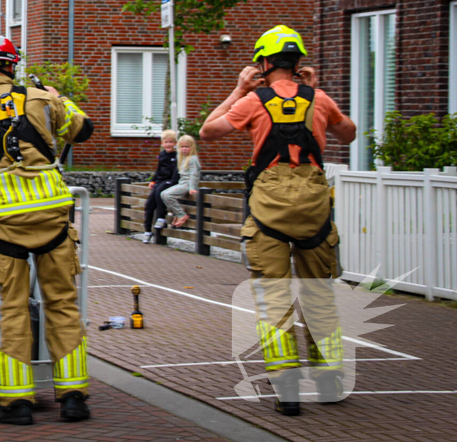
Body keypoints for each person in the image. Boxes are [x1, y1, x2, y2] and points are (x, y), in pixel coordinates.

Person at [0, 33, 95, 426]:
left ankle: (16, 404)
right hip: (54, 217)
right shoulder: (43, 99)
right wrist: (59, 96)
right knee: (62, 303)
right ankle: (74, 398)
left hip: (6, 224)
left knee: (12, 310)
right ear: (12, 66)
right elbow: (85, 128)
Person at [199, 25, 356, 416]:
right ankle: (329, 377)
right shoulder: (318, 99)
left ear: (264, 64)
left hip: (268, 206)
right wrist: (317, 89)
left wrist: (239, 90)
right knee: (319, 292)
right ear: (298, 63)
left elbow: (208, 132)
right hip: (314, 206)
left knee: (274, 297)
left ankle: (286, 386)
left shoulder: (254, 101)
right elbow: (349, 134)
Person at [142, 130, 178, 242]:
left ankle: (161, 217)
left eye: (171, 142)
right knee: (149, 204)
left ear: (175, 143)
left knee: (160, 194)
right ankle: (147, 230)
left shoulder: (177, 156)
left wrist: (173, 182)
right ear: (162, 143)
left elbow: (176, 172)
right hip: (160, 180)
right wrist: (153, 180)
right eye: (166, 142)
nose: (168, 144)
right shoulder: (162, 155)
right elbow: (158, 169)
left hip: (169, 181)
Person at [160, 135, 200, 230]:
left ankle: (181, 214)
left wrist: (192, 188)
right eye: (182, 147)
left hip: (187, 184)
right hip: (181, 183)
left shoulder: (193, 159)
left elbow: (194, 175)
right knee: (163, 194)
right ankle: (178, 213)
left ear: (192, 147)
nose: (184, 149)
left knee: (167, 195)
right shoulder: (182, 158)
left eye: (187, 147)